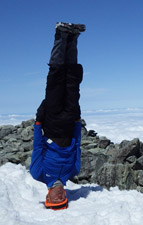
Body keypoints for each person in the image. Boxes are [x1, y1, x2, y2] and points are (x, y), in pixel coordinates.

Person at [29, 22, 85, 210]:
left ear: (48, 196)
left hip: (51, 124)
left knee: (56, 76)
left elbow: (37, 147)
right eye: (63, 198)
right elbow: (77, 146)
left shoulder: (39, 174)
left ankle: (61, 34)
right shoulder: (72, 171)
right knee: (72, 81)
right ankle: (74, 38)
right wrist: (77, 123)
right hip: (69, 122)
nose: (60, 195)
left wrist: (38, 122)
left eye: (55, 198)